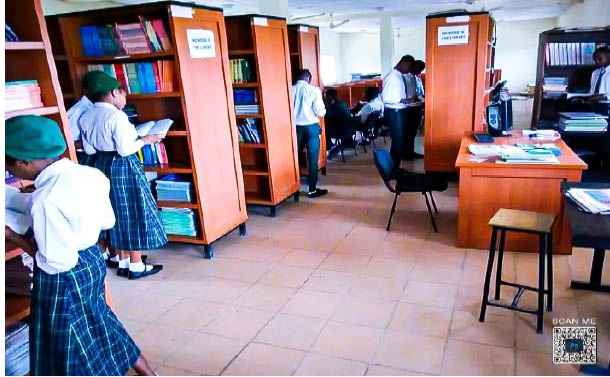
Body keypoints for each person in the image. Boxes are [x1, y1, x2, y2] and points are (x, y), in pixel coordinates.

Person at [4, 115, 157, 375]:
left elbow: (55, 262)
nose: (10, 172)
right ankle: (150, 374)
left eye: (9, 166)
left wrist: (14, 237)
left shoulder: (45, 201)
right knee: (103, 324)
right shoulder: (89, 174)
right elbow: (107, 220)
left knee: (67, 348)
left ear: (24, 162)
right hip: (91, 262)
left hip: (63, 279)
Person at [79, 71, 166, 279]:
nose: (124, 99)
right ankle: (135, 265)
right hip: (123, 165)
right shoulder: (117, 116)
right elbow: (126, 150)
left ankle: (121, 259)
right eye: (123, 94)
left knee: (112, 211)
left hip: (100, 164)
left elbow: (89, 149)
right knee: (132, 211)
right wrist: (146, 139)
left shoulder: (86, 116)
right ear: (114, 92)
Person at [292, 68, 328, 198]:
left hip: (295, 128)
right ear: (309, 79)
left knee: (293, 157)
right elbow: (320, 112)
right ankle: (312, 189)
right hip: (311, 127)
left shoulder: (289, 89)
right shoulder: (314, 90)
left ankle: (291, 187)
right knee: (312, 159)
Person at [382, 55, 415, 167]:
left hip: (399, 111)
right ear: (403, 63)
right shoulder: (392, 77)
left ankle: (396, 166)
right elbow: (386, 98)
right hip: (394, 112)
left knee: (401, 139)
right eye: (408, 67)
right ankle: (393, 168)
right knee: (398, 140)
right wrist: (404, 100)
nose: (408, 70)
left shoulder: (399, 76)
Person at [402, 59, 426, 160]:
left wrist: (422, 99)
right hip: (407, 108)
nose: (419, 71)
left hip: (417, 107)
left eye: (421, 69)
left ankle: (411, 151)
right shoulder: (404, 78)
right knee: (407, 132)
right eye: (418, 68)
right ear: (413, 66)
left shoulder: (418, 79)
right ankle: (406, 153)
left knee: (413, 132)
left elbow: (420, 94)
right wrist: (412, 98)